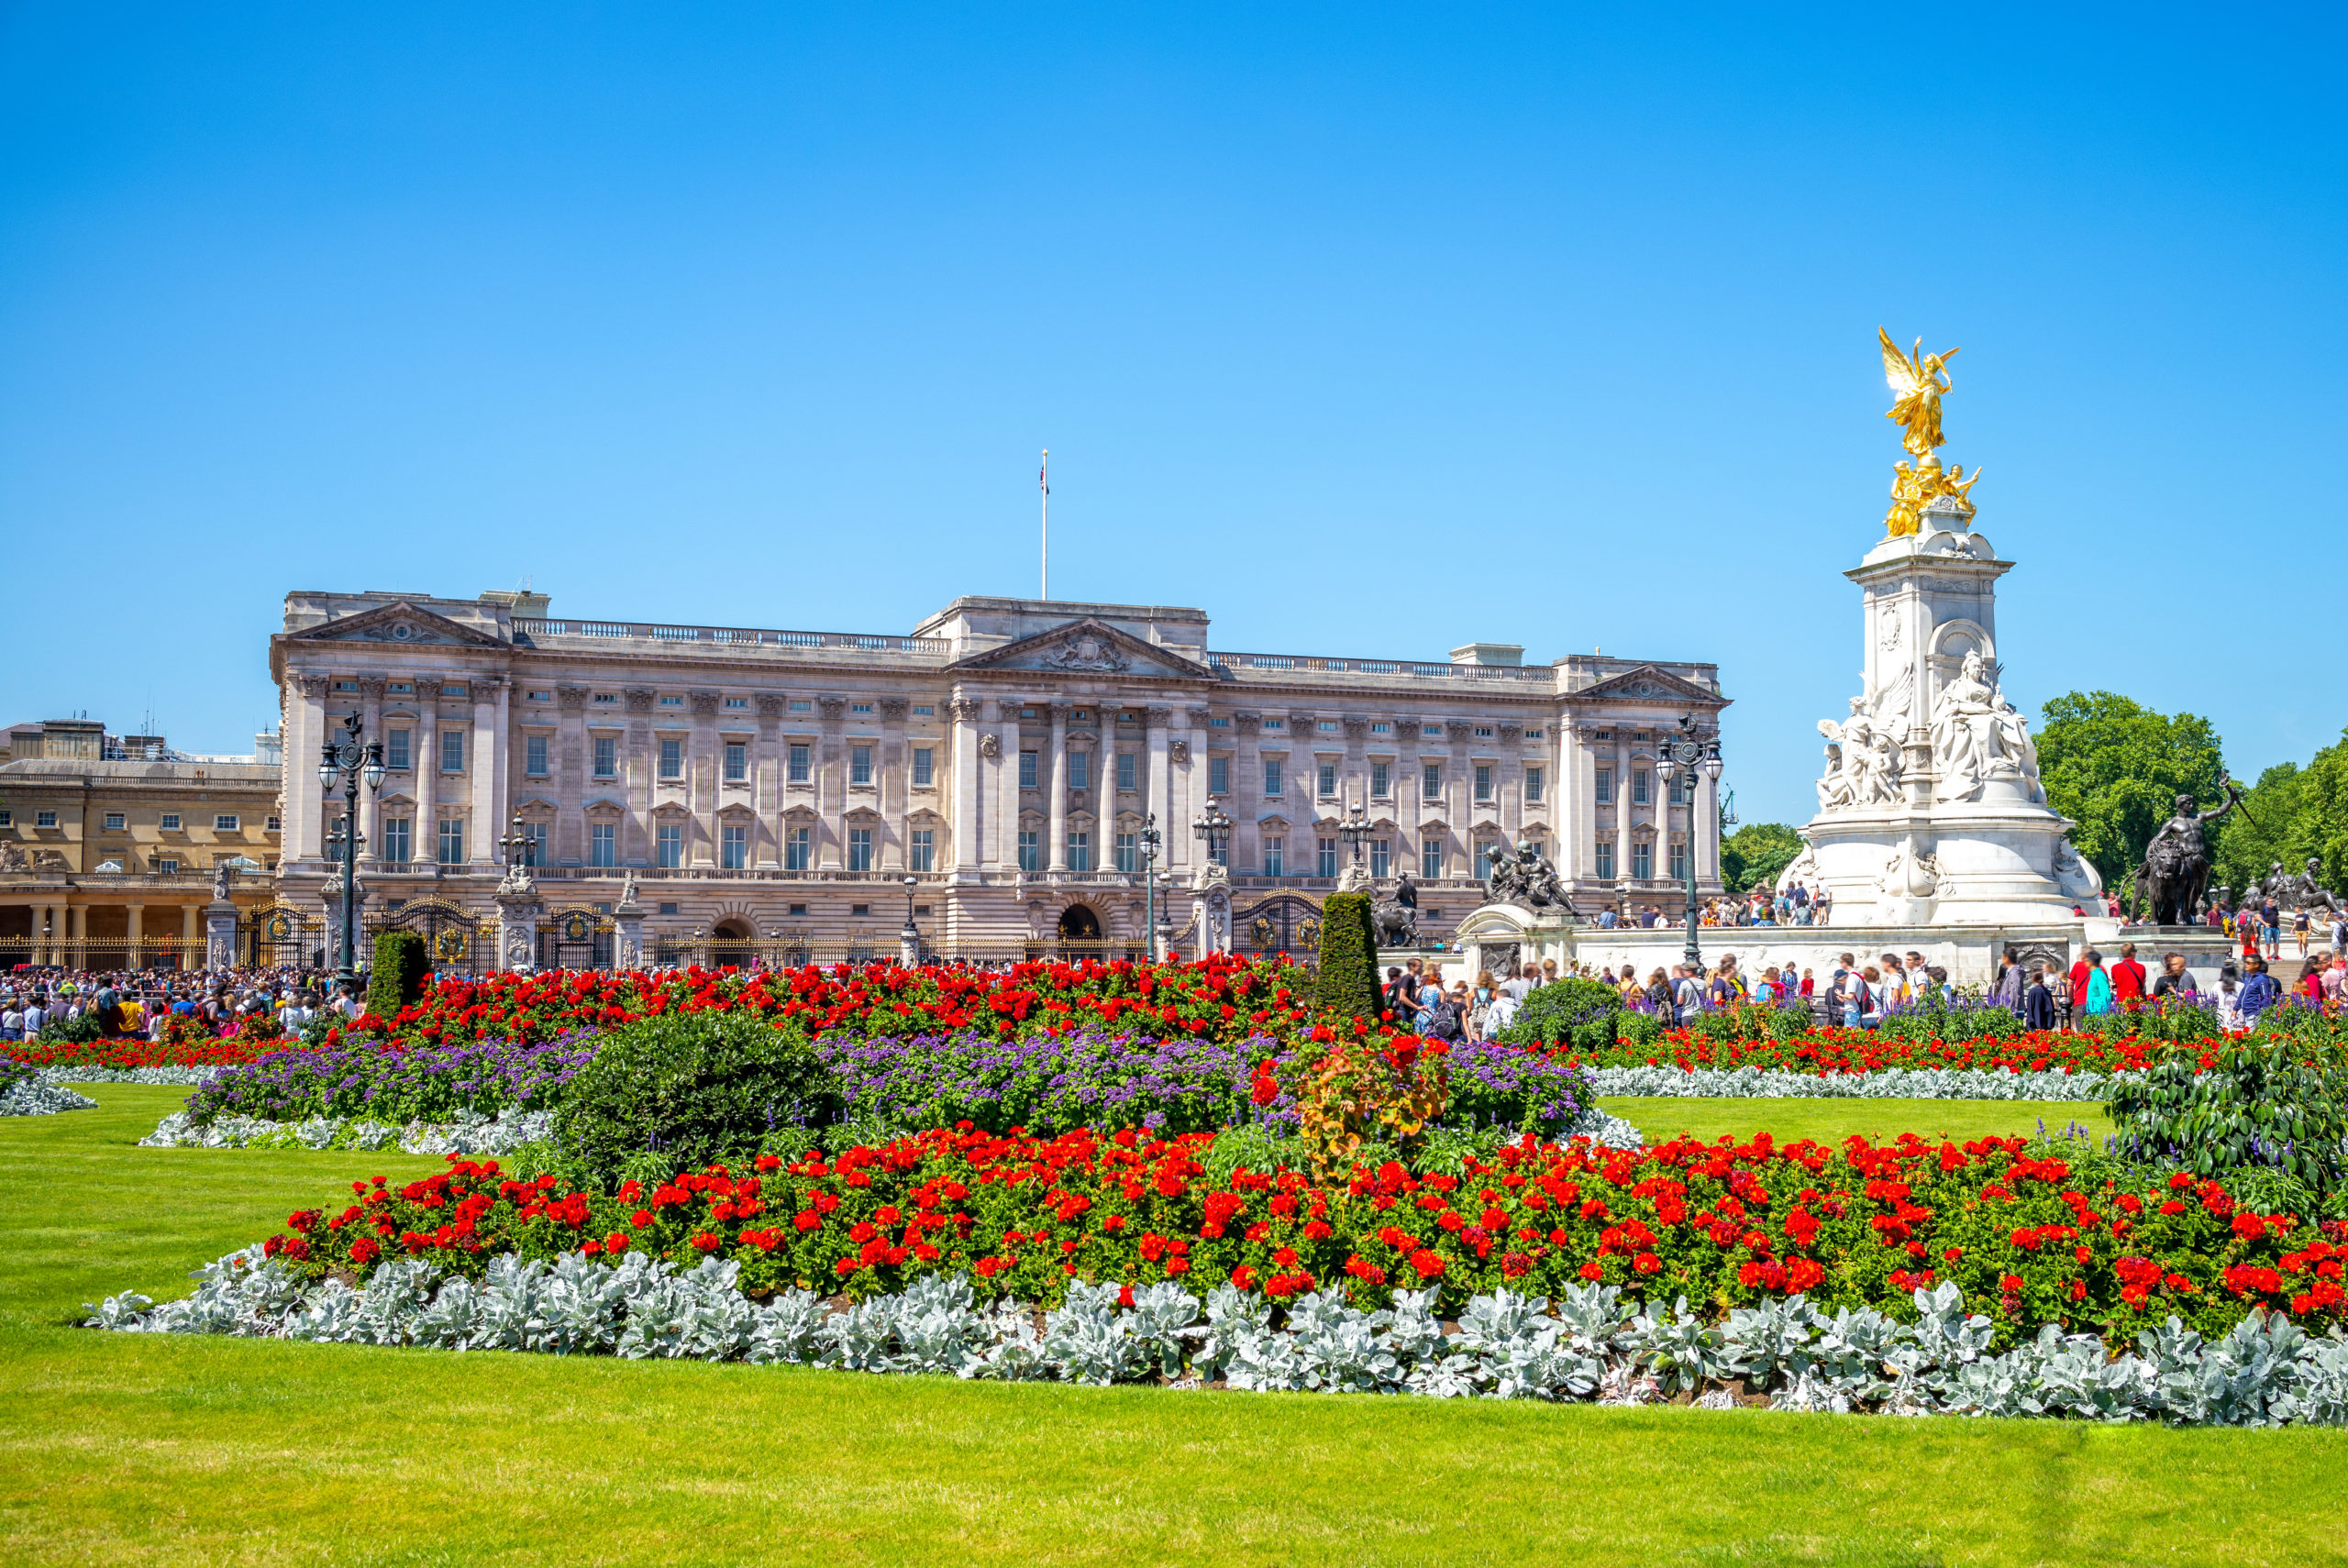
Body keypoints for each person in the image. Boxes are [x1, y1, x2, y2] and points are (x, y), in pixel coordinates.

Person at [2238, 955, 2282, 1024]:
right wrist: (2235, 1009)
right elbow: (2242, 994)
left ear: (2256, 965)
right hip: (2247, 1013)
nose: (2245, 964)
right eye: (2245, 962)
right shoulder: (2250, 978)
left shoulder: (2262, 979)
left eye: (2248, 963)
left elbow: (2266, 997)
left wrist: (2260, 1012)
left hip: (2254, 1014)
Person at [2110, 943, 2148, 1008]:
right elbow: (2142, 984)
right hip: (2137, 1003)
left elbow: (2116, 982)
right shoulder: (2141, 967)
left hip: (2122, 1003)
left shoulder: (2115, 968)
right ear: (2132, 953)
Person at [2212, 962, 2244, 1030]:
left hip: (2222, 1016)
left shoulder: (2217, 985)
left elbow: (2210, 999)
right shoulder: (2241, 985)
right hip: (2239, 1018)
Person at [2080, 951, 2113, 1015]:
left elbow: (2105, 996)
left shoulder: (2099, 975)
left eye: (2086, 960)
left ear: (2091, 962)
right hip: (2093, 1013)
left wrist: (2104, 1015)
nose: (2084, 962)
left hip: (2098, 1014)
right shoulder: (2094, 975)